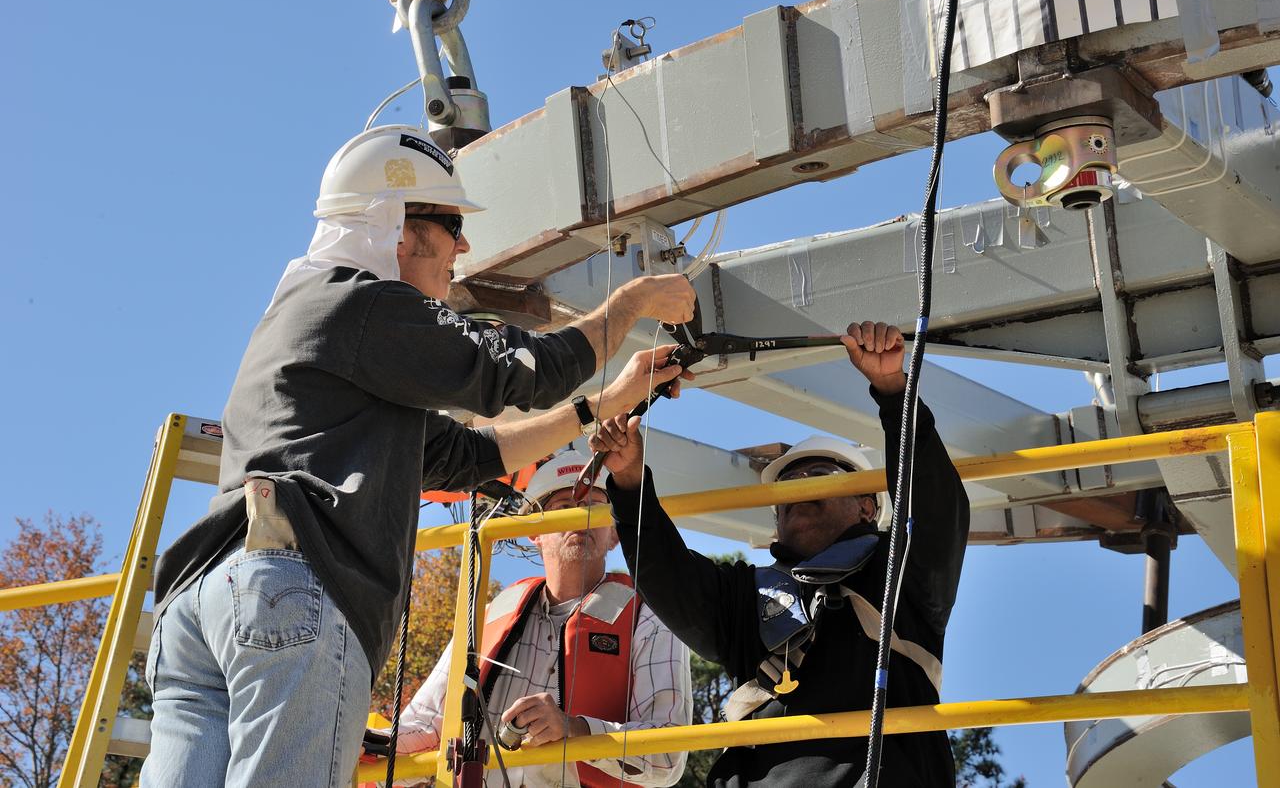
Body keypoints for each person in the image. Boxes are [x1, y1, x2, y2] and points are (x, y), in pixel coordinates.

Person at [140, 125, 695, 788]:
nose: (463, 247)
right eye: (453, 225)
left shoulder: (310, 318)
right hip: (291, 589)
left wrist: (603, 403)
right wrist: (633, 302)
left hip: (201, 603)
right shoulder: (367, 301)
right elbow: (517, 369)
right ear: (396, 227)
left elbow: (466, 455)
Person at [590, 321, 969, 787]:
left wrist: (893, 390)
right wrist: (629, 482)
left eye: (820, 475)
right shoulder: (744, 597)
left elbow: (934, 505)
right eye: (788, 484)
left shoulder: (902, 573)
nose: (800, 488)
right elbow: (667, 577)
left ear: (867, 507)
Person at [393, 451, 693, 787]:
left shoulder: (648, 617)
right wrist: (367, 745)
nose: (580, 517)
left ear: (614, 535)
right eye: (564, 507)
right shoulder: (487, 616)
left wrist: (576, 730)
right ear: (533, 531)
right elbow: (427, 724)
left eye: (593, 507)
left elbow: (667, 757)